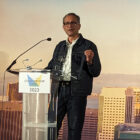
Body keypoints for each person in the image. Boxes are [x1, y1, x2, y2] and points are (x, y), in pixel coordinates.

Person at [45, 13, 101, 140]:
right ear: (63, 27)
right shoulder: (60, 46)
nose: (69, 25)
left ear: (79, 25)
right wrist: (34, 73)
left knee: (74, 130)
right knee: (51, 127)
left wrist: (90, 61)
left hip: (77, 93)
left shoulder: (89, 45)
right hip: (58, 91)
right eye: (66, 23)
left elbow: (96, 72)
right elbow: (51, 66)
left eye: (73, 22)